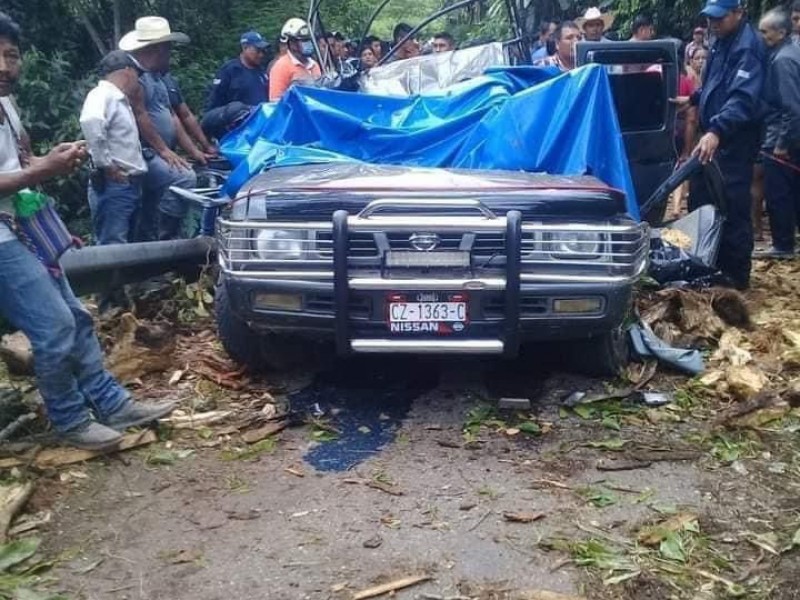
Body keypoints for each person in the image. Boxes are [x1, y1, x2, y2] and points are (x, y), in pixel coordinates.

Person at [0, 12, 175, 450]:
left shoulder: (6, 104)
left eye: (11, 55)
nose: (5, 66)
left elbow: (19, 168)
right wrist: (44, 170)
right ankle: (70, 419)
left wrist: (47, 165)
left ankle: (109, 401)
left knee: (76, 318)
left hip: (20, 229)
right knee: (55, 326)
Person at [675, 0, 766, 289]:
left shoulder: (748, 48)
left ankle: (736, 278)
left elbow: (742, 100)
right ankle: (707, 266)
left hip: (733, 144)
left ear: (738, 13)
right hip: (712, 142)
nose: (713, 23)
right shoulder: (720, 41)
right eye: (710, 18)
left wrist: (716, 130)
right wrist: (692, 99)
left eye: (720, 18)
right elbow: (715, 84)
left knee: (733, 208)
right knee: (703, 204)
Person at [119, 16, 198, 241]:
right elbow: (139, 115)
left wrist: (194, 151)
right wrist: (163, 150)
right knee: (183, 178)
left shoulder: (157, 77)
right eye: (168, 48)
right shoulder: (134, 76)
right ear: (158, 49)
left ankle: (152, 242)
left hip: (158, 150)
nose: (170, 53)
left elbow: (172, 116)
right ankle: (166, 235)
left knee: (151, 203)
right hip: (143, 152)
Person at [80, 51, 146, 247]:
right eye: (138, 75)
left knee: (125, 243)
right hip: (114, 182)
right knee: (113, 243)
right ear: (127, 72)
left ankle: (127, 278)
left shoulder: (119, 99)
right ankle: (113, 279)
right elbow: (91, 121)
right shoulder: (102, 94)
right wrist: (107, 165)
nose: (139, 81)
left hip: (127, 182)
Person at [756, 9, 800, 257]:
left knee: (779, 193)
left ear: (781, 32)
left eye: (765, 31)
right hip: (793, 137)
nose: (761, 36)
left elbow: (791, 108)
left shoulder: (783, 60)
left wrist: (782, 144)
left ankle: (783, 244)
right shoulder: (793, 52)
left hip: (782, 140)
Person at [206, 31, 270, 111]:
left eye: (263, 51)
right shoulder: (230, 71)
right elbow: (214, 104)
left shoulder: (261, 71)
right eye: (257, 50)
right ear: (245, 47)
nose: (261, 55)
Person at [268, 18, 322, 101]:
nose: (307, 44)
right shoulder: (281, 67)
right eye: (303, 41)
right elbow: (275, 102)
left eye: (308, 40)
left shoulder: (314, 65)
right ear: (292, 43)